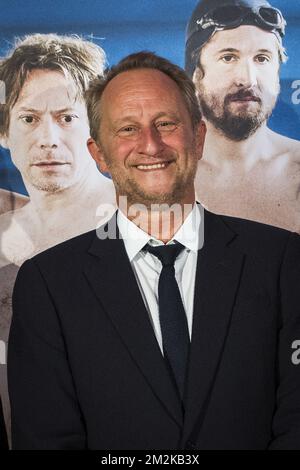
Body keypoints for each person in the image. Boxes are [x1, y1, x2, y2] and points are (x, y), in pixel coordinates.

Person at [8, 52, 300, 450]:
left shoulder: (283, 262)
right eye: (127, 129)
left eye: (166, 123)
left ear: (198, 137)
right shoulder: (47, 284)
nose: (150, 144)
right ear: (100, 154)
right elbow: (46, 438)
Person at [0, 33, 115, 446]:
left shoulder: (149, 224)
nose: (48, 138)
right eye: (29, 118)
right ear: (5, 133)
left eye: (67, 117)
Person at [185, 0, 300, 233]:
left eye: (262, 58)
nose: (248, 79)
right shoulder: (164, 178)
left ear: (277, 76)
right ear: (196, 76)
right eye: (229, 57)